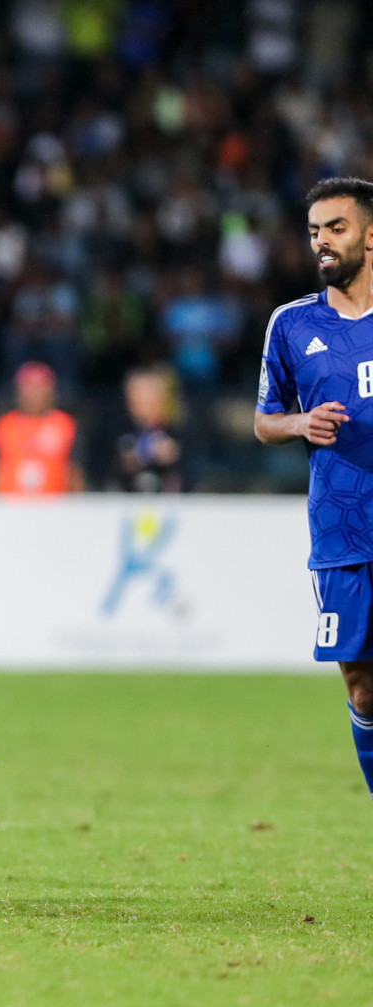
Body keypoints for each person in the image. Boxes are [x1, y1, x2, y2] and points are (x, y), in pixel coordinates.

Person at [255, 176, 373, 804]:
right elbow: (262, 419)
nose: (322, 242)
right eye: (314, 232)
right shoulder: (292, 324)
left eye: (336, 228)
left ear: (370, 233)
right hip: (341, 531)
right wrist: (300, 421)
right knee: (361, 684)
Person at [0, 361, 85, 495]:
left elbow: (74, 471)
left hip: (55, 508)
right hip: (10, 506)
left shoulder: (65, 424)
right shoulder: (4, 425)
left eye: (39, 388)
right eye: (29, 388)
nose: (34, 394)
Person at [110, 366, 186, 492]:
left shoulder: (178, 429)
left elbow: (191, 467)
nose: (136, 400)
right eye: (133, 394)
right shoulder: (118, 427)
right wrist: (148, 452)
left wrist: (173, 453)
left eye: (144, 393)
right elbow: (114, 463)